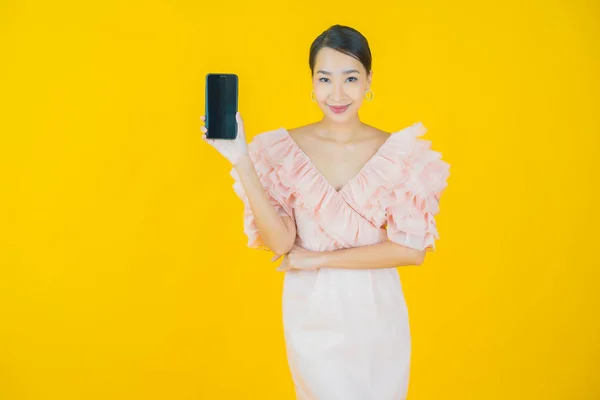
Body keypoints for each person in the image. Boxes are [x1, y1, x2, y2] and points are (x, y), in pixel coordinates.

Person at [200, 24, 450, 400]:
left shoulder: (400, 154)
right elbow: (281, 242)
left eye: (350, 78)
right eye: (325, 79)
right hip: (313, 315)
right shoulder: (281, 150)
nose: (337, 93)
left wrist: (319, 259)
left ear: (369, 80)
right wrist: (242, 162)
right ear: (312, 83)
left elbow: (411, 251)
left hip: (378, 317)